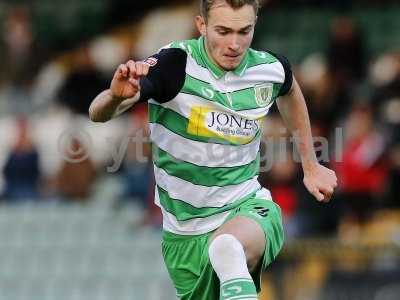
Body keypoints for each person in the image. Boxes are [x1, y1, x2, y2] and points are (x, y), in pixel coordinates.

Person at [89, 1, 337, 299]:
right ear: (201, 25)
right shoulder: (175, 64)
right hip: (186, 236)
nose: (234, 44)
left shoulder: (268, 68)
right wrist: (115, 98)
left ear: (255, 24)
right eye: (223, 31)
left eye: (244, 31)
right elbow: (97, 112)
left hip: (247, 206)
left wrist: (311, 165)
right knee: (221, 253)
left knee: (227, 247)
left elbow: (290, 90)